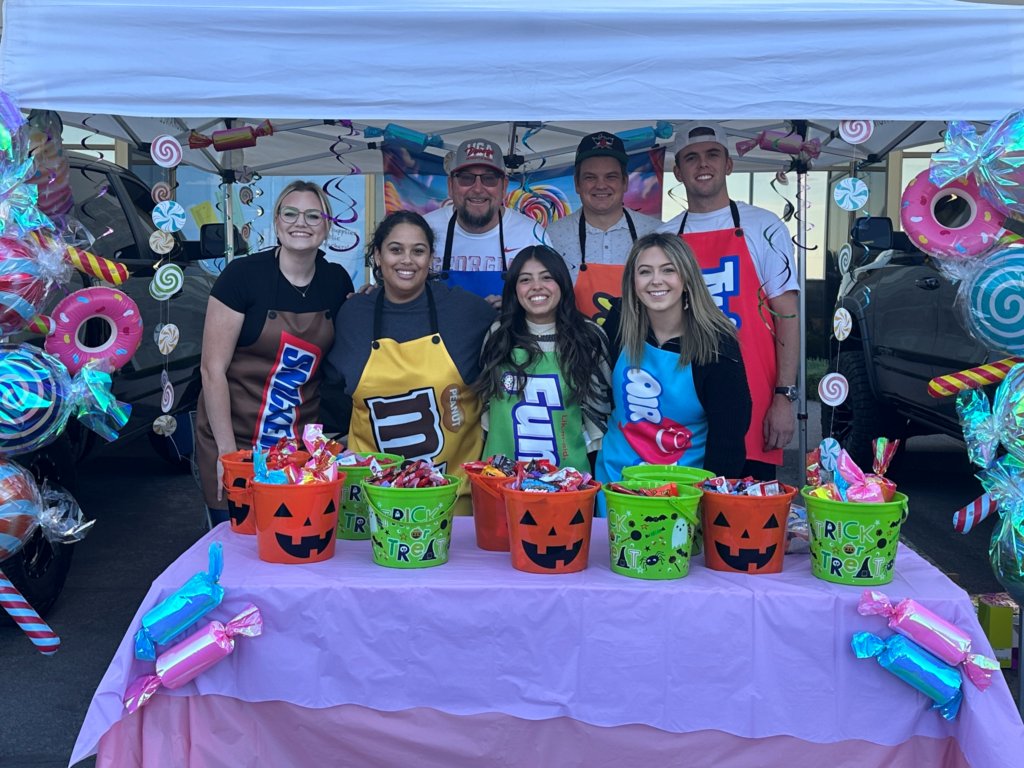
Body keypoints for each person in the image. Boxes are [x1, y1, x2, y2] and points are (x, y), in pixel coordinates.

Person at [196, 180, 354, 526]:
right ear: (277, 224)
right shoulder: (242, 276)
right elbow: (212, 370)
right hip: (234, 438)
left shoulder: (337, 281)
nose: (301, 223)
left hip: (296, 446)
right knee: (237, 537)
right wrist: (227, 454)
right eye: (291, 213)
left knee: (292, 537)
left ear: (327, 227)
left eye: (314, 216)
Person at [326, 210, 496, 516]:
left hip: (454, 507)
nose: (407, 260)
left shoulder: (467, 312)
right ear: (377, 256)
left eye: (418, 251)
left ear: (431, 259)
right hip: (371, 506)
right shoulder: (353, 315)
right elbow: (332, 394)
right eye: (395, 250)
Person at [659, 121, 799, 480]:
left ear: (728, 164)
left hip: (753, 400)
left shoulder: (764, 227)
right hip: (679, 406)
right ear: (677, 171)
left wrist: (785, 396)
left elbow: (787, 315)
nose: (702, 164)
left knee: (743, 525)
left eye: (712, 155)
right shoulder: (663, 236)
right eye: (691, 158)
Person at [596, 233, 751, 496]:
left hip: (685, 491)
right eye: (645, 271)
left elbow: (728, 441)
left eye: (668, 270)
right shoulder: (619, 322)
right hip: (614, 485)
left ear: (687, 279)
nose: (656, 280)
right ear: (633, 282)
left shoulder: (717, 345)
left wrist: (708, 504)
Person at [476, 246, 612, 472]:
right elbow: (483, 405)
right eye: (525, 279)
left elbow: (602, 411)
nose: (536, 286)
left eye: (547, 277)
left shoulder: (589, 336)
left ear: (562, 283)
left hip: (568, 482)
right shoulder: (498, 333)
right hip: (500, 481)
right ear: (514, 288)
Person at [545, 132, 662, 323]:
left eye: (611, 177)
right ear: (577, 183)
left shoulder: (657, 233)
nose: (601, 185)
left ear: (625, 182)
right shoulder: (550, 236)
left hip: (641, 348)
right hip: (575, 349)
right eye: (590, 177)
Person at [424, 138, 547, 307]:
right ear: (451, 186)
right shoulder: (425, 230)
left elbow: (551, 300)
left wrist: (515, 308)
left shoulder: (531, 235)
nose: (478, 188)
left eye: (489, 178)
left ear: (504, 187)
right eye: (466, 178)